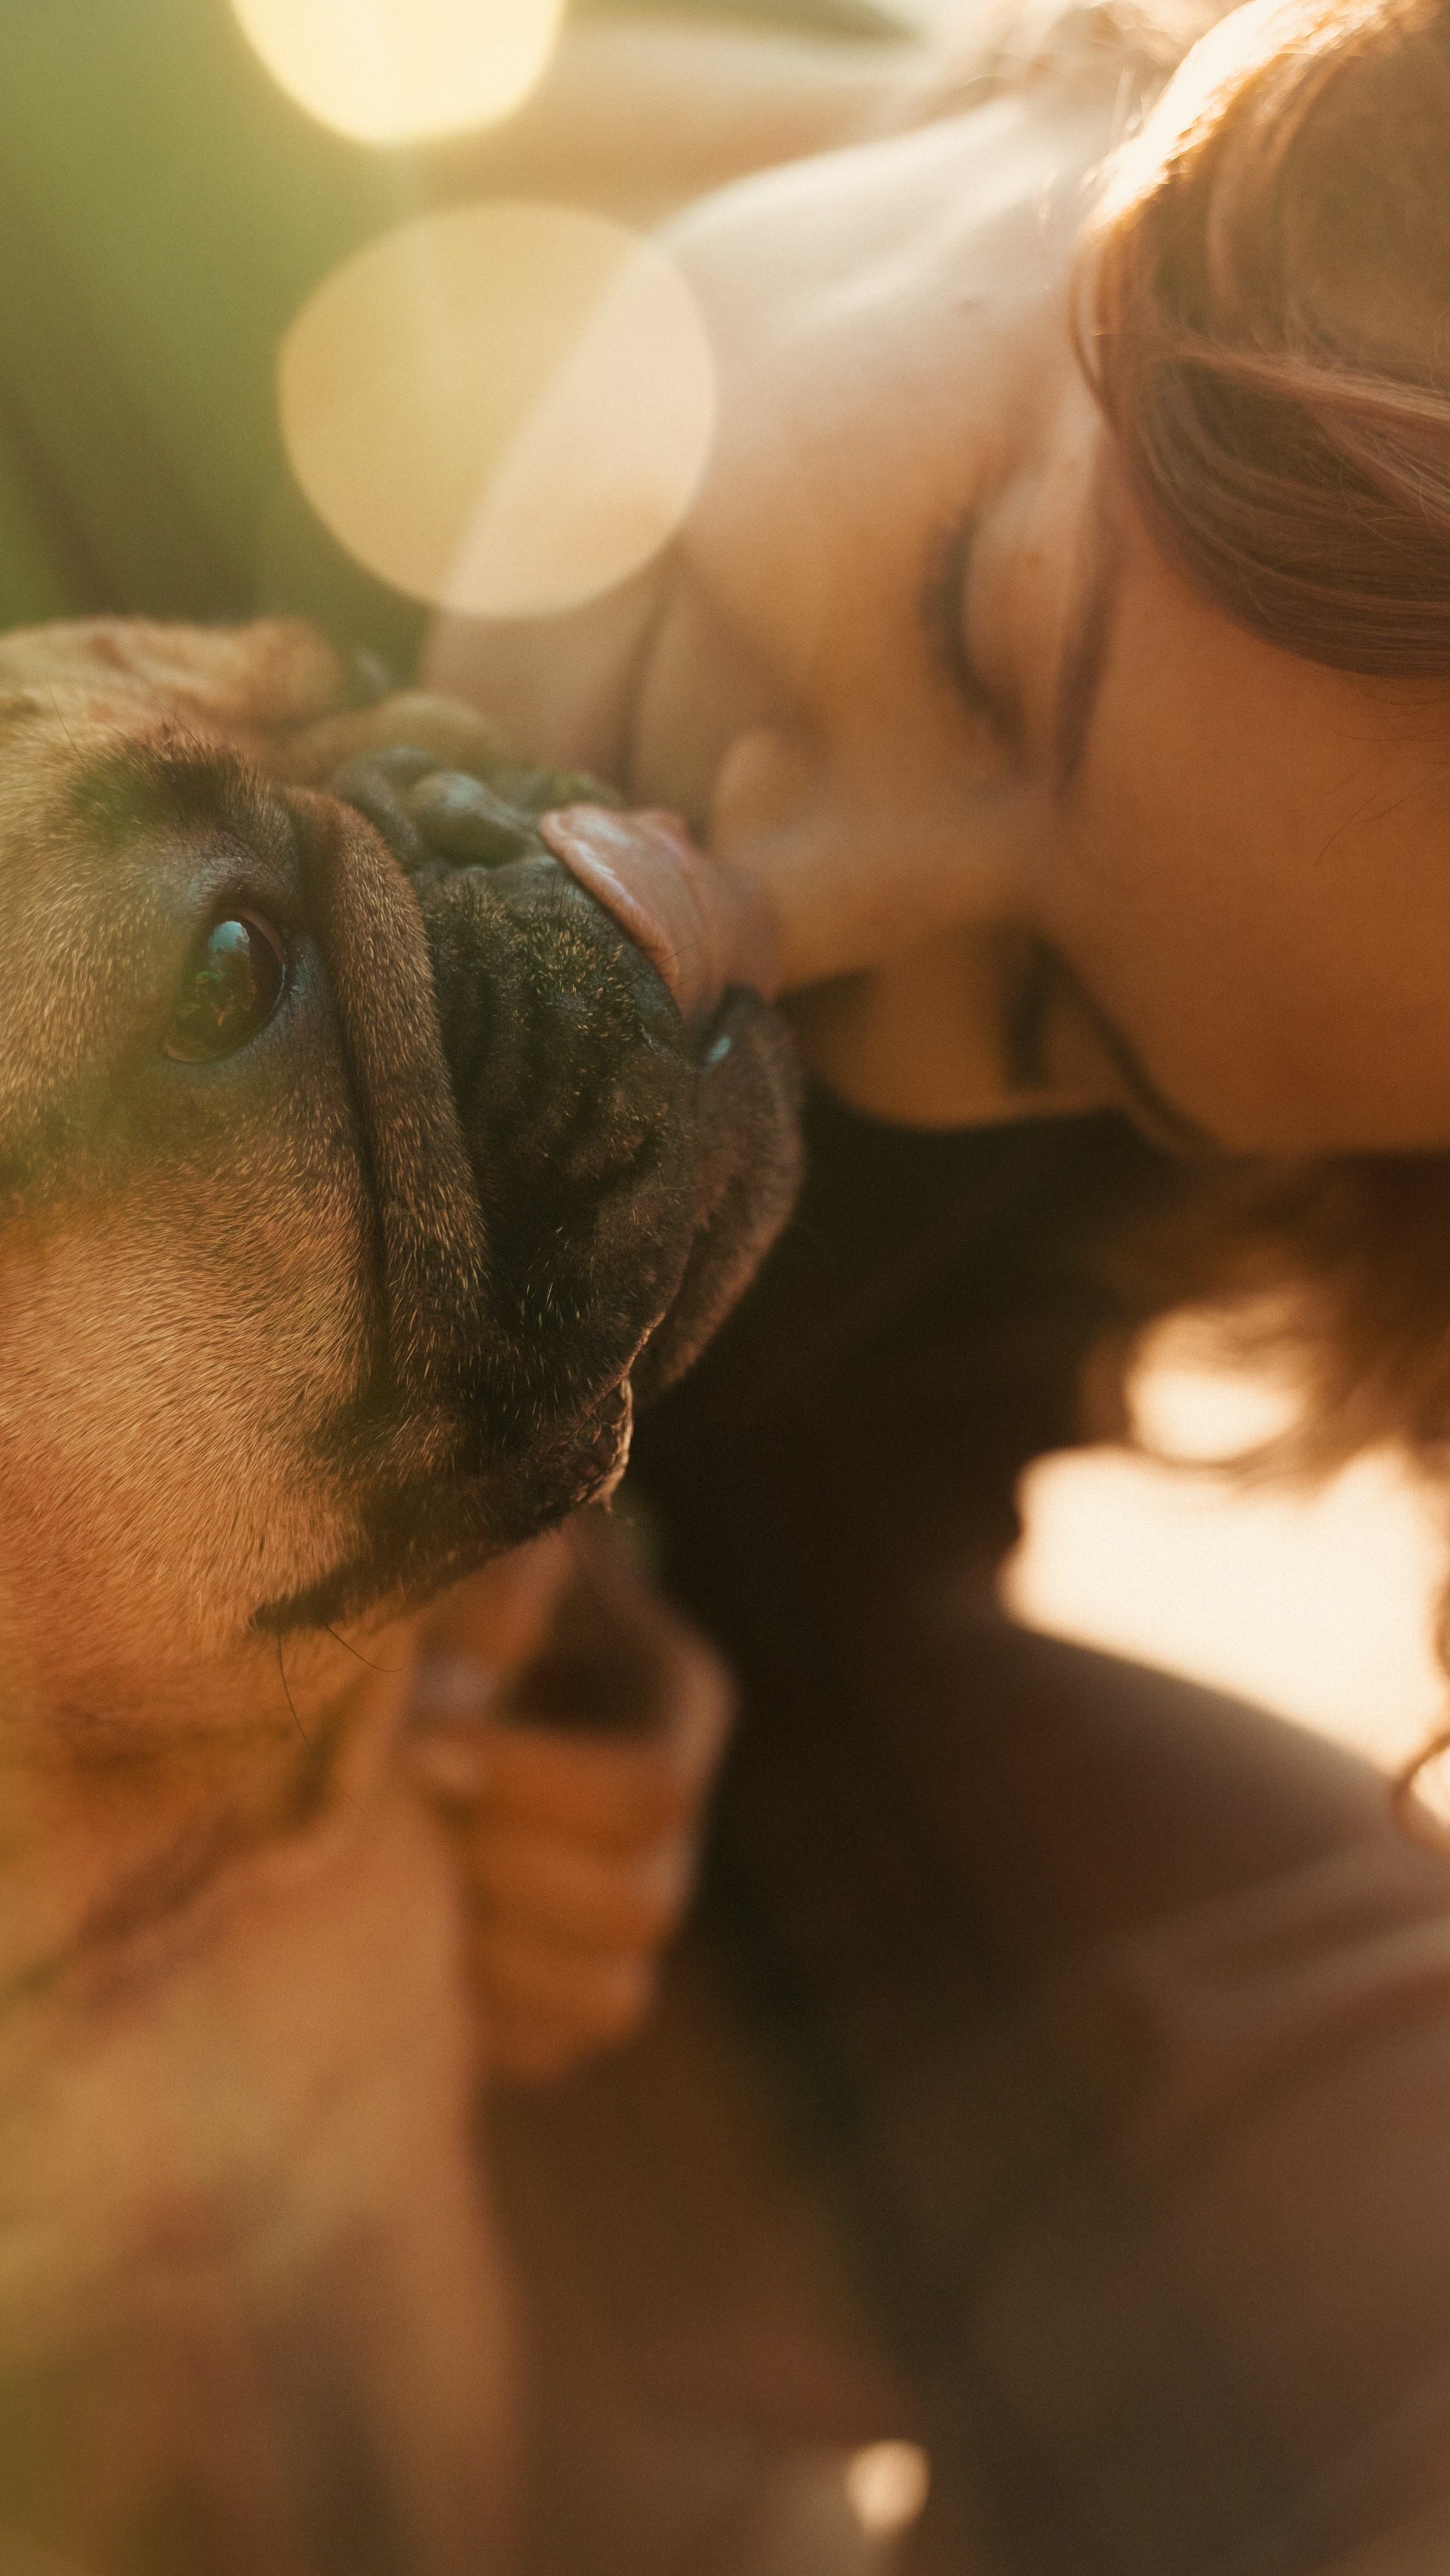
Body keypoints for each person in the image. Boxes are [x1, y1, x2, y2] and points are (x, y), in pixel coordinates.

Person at [7, 4, 1450, 2570]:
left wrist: (622, 1645)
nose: (792, 902)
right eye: (968, 626)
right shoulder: (104, 147)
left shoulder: (997, 1164)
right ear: (1076, 62)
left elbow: (863, 1491)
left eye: (1047, 1026)